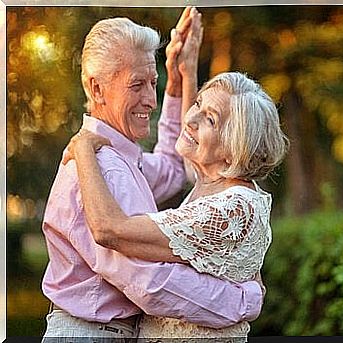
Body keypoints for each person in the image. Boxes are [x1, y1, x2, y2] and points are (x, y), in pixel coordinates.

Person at [41, 9, 264, 341]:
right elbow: (151, 283)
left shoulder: (122, 158)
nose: (151, 100)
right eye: (137, 85)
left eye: (153, 83)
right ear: (97, 90)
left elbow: (173, 168)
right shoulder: (103, 169)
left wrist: (177, 82)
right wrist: (245, 299)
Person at [63, 71, 289, 341]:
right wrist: (184, 71)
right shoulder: (209, 187)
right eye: (197, 103)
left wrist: (84, 146)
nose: (191, 119)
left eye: (210, 119)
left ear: (234, 147)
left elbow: (109, 230)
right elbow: (180, 162)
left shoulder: (232, 208)